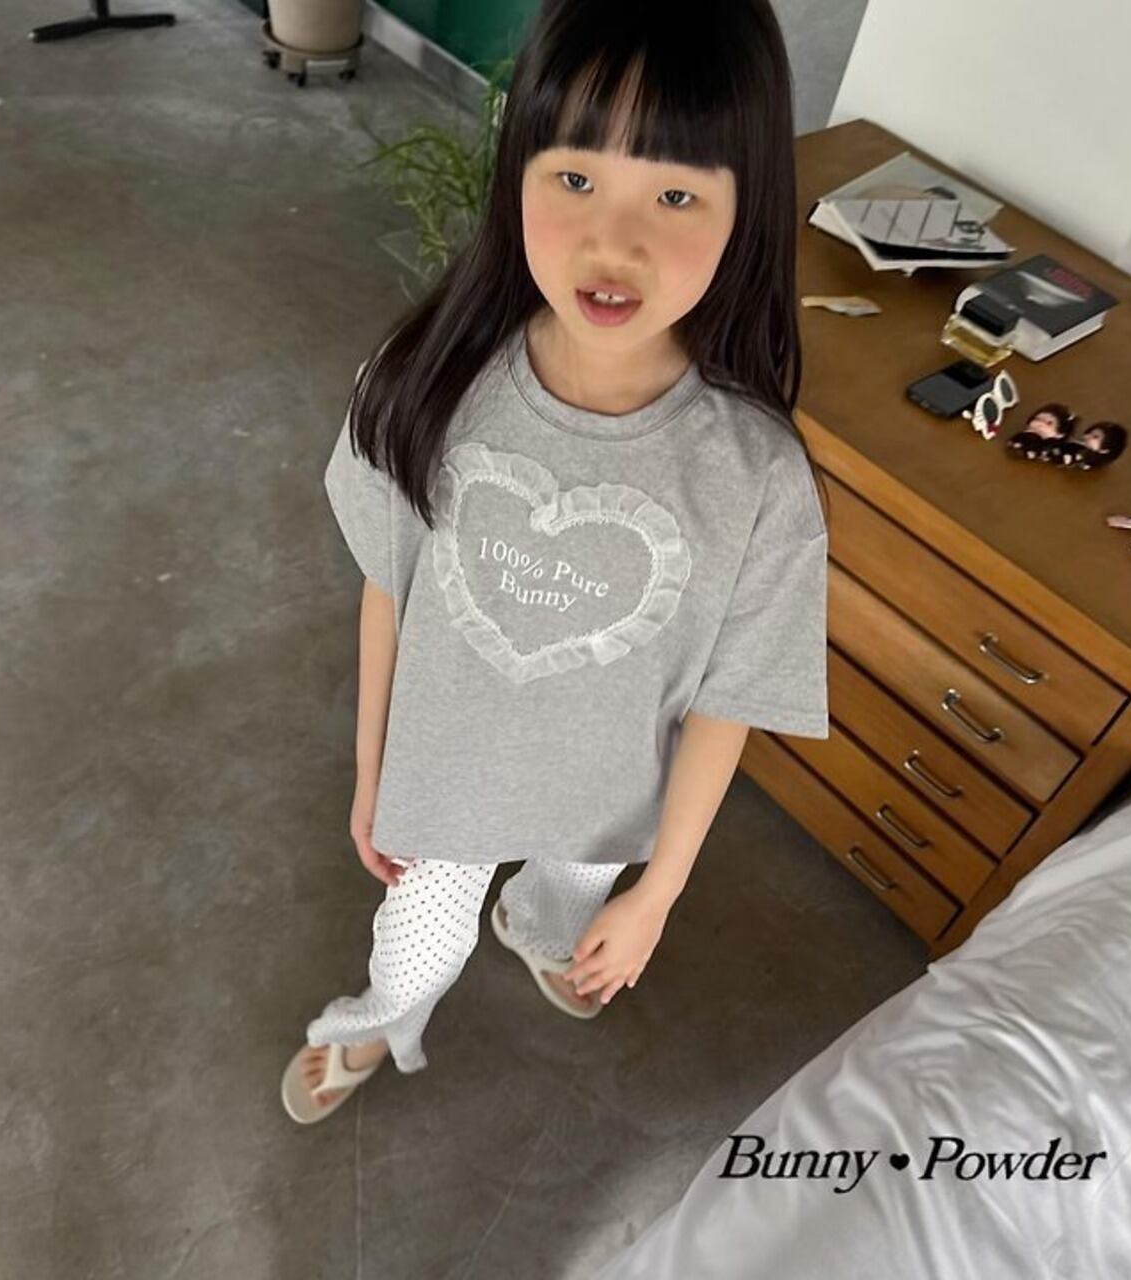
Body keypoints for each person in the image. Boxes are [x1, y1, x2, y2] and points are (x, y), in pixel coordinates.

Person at [280, 0, 832, 1125]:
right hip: (445, 783)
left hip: (603, 809)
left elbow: (727, 701)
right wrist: (371, 769)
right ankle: (379, 1018)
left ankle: (534, 927)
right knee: (415, 948)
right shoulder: (423, 384)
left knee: (566, 908)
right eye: (575, 178)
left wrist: (658, 894)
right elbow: (390, 589)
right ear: (517, 169)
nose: (610, 244)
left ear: (747, 211)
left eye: (674, 196)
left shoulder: (756, 477)